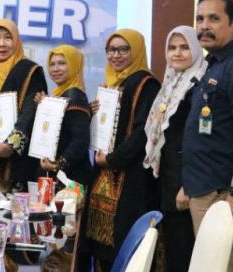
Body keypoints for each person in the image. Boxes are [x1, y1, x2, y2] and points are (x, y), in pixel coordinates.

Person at [78, 29, 160, 271]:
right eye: (111, 50)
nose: (116, 55)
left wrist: (113, 159)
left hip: (130, 179)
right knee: (100, 249)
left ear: (135, 51)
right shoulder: (113, 83)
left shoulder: (146, 83)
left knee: (123, 247)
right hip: (105, 172)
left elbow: (143, 131)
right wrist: (95, 115)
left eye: (124, 49)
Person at [182, 0, 233, 272]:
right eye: (199, 18)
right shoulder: (214, 63)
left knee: (227, 267)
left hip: (222, 192)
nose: (204, 25)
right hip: (203, 187)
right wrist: (189, 184)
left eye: (213, 18)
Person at [144, 26, 205, 271]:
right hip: (166, 181)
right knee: (171, 253)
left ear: (197, 49)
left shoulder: (199, 88)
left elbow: (199, 143)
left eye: (184, 47)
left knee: (184, 255)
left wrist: (187, 186)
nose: (177, 53)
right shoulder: (169, 85)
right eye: (172, 47)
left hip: (185, 185)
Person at [0, 18, 47, 187]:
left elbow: (29, 112)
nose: (1, 44)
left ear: (16, 41)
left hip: (19, 159)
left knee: (17, 211)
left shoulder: (29, 70)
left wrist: (12, 144)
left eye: (7, 38)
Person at [35, 45, 93, 187]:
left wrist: (57, 165)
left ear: (74, 65)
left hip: (71, 177)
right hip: (62, 176)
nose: (55, 69)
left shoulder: (74, 95)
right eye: (52, 64)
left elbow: (80, 141)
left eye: (62, 63)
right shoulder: (61, 94)